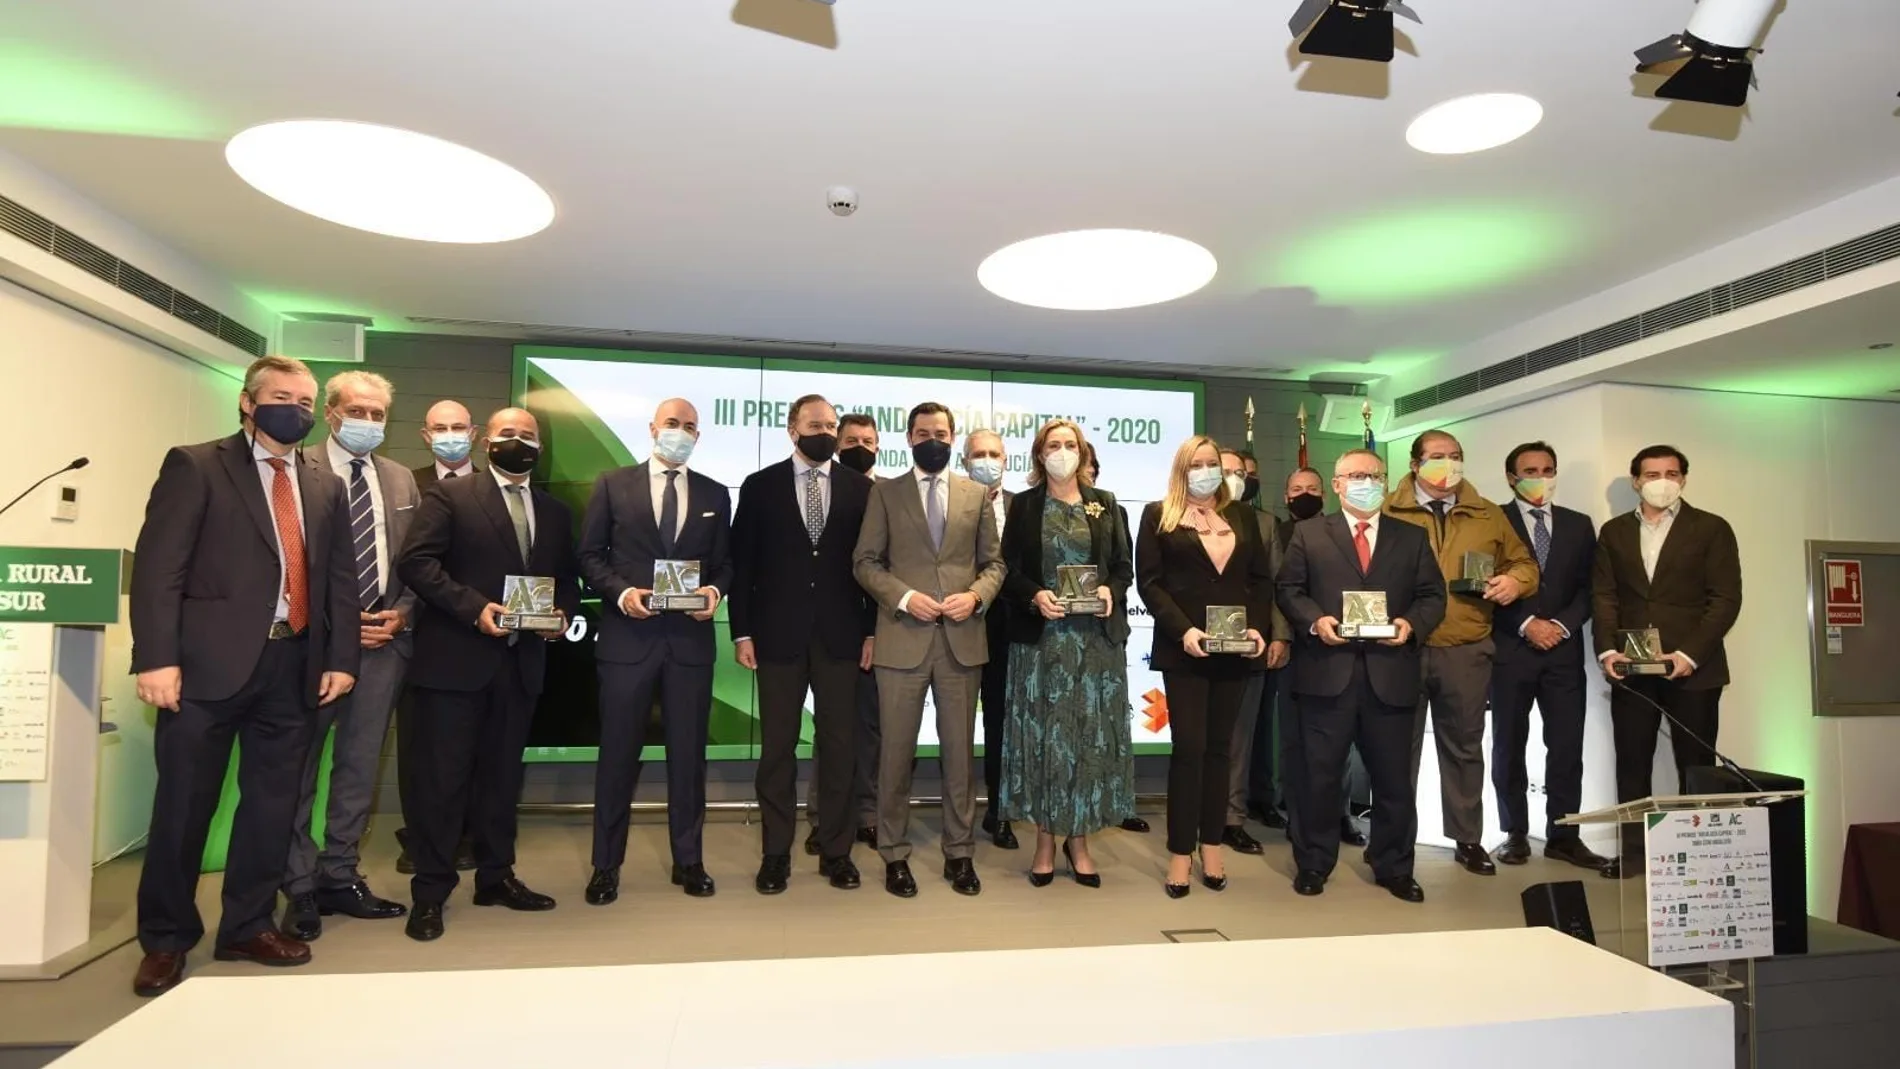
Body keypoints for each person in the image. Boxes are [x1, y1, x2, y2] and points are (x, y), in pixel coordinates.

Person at [128, 355, 359, 997]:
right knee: (184, 808)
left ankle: (247, 926)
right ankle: (167, 940)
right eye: (284, 396)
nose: (298, 409)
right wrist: (155, 658)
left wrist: (342, 659)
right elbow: (158, 570)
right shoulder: (196, 465)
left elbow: (339, 579)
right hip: (202, 669)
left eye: (308, 401)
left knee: (272, 809)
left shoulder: (324, 484)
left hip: (294, 664)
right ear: (248, 403)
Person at [397, 408, 579, 940]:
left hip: (520, 665)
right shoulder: (450, 496)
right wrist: (473, 607)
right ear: (486, 441)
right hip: (455, 663)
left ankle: (497, 877)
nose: (518, 442)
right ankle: (430, 893)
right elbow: (417, 563)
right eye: (507, 434)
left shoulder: (555, 510)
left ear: (540, 447)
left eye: (528, 436)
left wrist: (560, 614)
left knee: (501, 782)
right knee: (442, 784)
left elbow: (564, 579)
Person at [279, 371, 415, 942]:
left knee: (359, 768)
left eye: (378, 414)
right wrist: (335, 624)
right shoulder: (296, 470)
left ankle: (340, 873)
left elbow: (415, 558)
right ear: (331, 413)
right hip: (313, 648)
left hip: (384, 645)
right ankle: (298, 884)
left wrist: (403, 611)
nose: (367, 422)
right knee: (298, 770)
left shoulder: (402, 477)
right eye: (357, 411)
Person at [579, 398, 732, 902]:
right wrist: (623, 594)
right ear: (652, 429)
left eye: (689, 427)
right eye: (672, 424)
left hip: (689, 644)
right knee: (617, 756)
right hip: (628, 641)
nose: (680, 433)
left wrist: (713, 593)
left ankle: (689, 860)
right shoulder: (613, 483)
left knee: (688, 759)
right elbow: (589, 556)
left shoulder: (714, 493)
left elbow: (724, 565)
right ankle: (606, 865)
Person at [1277, 449, 1445, 902]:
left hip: (1390, 677)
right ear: (1337, 484)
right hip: (1326, 675)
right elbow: (1289, 590)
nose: (1365, 482)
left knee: (1393, 781)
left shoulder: (1411, 537)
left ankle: (1394, 866)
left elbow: (1433, 596)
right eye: (1355, 475)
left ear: (1386, 483)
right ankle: (1313, 862)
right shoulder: (1309, 534)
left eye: (1373, 475)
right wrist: (1316, 621)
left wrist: (1411, 625)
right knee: (1318, 778)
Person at [853, 402, 1006, 898]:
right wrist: (904, 596)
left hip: (961, 644)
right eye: (923, 433)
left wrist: (976, 596)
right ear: (909, 437)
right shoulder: (884, 493)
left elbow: (994, 564)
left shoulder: (976, 494)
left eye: (940, 432)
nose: (932, 439)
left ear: (952, 435)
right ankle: (894, 854)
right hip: (902, 641)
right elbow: (865, 562)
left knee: (959, 757)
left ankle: (959, 853)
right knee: (895, 756)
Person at [730, 395, 874, 894]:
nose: (827, 433)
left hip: (842, 637)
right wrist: (741, 631)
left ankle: (836, 851)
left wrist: (872, 631)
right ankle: (775, 855)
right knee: (777, 750)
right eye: (816, 425)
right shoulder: (760, 486)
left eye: (832, 425)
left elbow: (873, 566)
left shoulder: (860, 489)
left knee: (840, 748)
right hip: (775, 637)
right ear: (792, 430)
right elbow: (742, 564)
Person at [1383, 430, 1537, 877]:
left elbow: (1523, 564)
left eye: (1455, 457)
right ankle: (1394, 842)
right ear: (1414, 465)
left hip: (1465, 648)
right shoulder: (1388, 512)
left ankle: (1468, 839)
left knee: (1465, 748)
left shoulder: (1487, 514)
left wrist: (1515, 583)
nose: (1447, 465)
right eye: (1436, 457)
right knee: (1396, 751)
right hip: (1400, 649)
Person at [1593, 445, 1742, 878]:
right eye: (1653, 474)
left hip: (1693, 669)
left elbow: (1725, 599)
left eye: (1672, 473)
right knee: (1631, 763)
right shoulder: (1614, 531)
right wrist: (1607, 651)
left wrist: (1689, 653)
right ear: (1636, 481)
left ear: (1684, 479)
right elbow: (1604, 596)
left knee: (1695, 766)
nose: (1663, 481)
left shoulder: (1712, 528)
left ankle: (1698, 856)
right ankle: (1634, 854)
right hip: (1632, 667)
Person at [1135, 437, 1274, 898]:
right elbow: (1150, 584)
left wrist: (1257, 628)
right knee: (1189, 750)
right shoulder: (1159, 514)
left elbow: (1258, 579)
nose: (1206, 470)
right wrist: (1184, 631)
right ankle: (1180, 851)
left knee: (1220, 751)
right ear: (1181, 469)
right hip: (1186, 649)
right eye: (1196, 464)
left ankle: (1211, 845)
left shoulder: (1242, 516)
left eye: (1212, 463)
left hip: (1235, 649)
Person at [998, 421, 1136, 887]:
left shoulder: (1107, 504)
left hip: (1095, 644)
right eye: (1053, 445)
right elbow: (1008, 569)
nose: (1062, 452)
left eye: (1070, 445)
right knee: (1045, 742)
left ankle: (1079, 840)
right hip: (1044, 645)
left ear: (1083, 452)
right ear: (1040, 455)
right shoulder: (1024, 506)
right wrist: (1035, 595)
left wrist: (1111, 591)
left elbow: (1122, 565)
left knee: (1088, 741)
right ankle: (1042, 840)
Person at [1490, 442, 1611, 872]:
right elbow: (1484, 584)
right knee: (1509, 745)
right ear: (1510, 477)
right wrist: (1526, 624)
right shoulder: (1492, 521)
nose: (1539, 477)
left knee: (1565, 746)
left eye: (1547, 469)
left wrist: (1560, 626)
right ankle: (1514, 833)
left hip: (1562, 653)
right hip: (1511, 650)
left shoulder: (1579, 525)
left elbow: (1588, 588)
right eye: (1529, 470)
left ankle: (1563, 835)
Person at [396, 398, 480, 875]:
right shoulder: (407, 484)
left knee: (470, 748)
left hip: (475, 632)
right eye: (439, 428)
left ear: (475, 432)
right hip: (413, 633)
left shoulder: (496, 485)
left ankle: (467, 835)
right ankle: (420, 837)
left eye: (458, 426)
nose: (450, 434)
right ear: (426, 436)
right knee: (417, 746)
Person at [805, 411, 885, 856]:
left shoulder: (889, 494)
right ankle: (823, 817)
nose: (859, 446)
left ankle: (869, 815)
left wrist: (874, 631)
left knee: (871, 728)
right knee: (830, 728)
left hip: (876, 630)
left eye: (867, 440)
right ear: (837, 442)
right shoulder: (821, 488)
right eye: (850, 439)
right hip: (827, 632)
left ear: (879, 445)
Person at [1216, 448, 1290, 857]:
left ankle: (1232, 819)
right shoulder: (1182, 516)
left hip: (1250, 645)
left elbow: (1277, 585)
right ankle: (1199, 813)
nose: (1232, 477)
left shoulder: (1265, 524)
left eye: (1240, 472)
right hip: (1198, 646)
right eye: (1224, 470)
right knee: (1201, 738)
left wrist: (1279, 636)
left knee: (1241, 739)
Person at [1086, 446, 1152, 836]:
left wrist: (1109, 591)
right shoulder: (1039, 510)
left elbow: (1123, 570)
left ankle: (1118, 803)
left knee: (1110, 725)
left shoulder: (1113, 509)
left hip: (1105, 631)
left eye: (1090, 466)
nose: (1084, 472)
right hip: (1059, 633)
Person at [963, 428, 1018, 850]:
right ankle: (956, 814)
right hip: (959, 623)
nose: (987, 460)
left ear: (1007, 460)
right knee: (956, 725)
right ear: (964, 462)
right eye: (978, 454)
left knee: (1002, 725)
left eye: (993, 453)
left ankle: (1000, 812)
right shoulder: (948, 503)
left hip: (1010, 632)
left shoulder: (1027, 507)